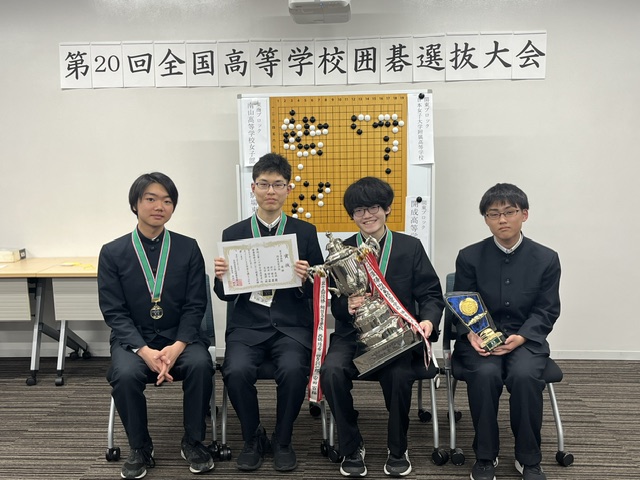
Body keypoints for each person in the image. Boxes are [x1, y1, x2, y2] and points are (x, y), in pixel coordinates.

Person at [320, 176, 444, 478]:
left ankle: (398, 448)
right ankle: (352, 445)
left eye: (373, 207)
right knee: (331, 372)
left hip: (397, 334)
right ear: (352, 215)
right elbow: (335, 303)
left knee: (399, 375)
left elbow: (430, 294)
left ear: (387, 208)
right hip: (353, 335)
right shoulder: (342, 252)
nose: (367, 215)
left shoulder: (410, 247)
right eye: (359, 210)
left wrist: (428, 320)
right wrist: (347, 306)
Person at [98, 172, 214, 479]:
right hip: (134, 341)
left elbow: (195, 305)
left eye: (167, 200)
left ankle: (193, 442)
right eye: (151, 199)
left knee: (201, 364)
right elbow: (114, 311)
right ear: (135, 204)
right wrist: (144, 350)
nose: (159, 206)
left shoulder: (188, 248)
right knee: (125, 374)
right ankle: (140, 447)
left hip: (181, 337)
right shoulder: (113, 252)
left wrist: (177, 347)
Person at [213, 153, 324, 472]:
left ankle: (283, 440)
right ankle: (253, 438)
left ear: (289, 189)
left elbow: (320, 285)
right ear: (253, 188)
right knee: (235, 371)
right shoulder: (233, 233)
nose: (270, 191)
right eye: (264, 184)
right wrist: (221, 277)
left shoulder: (304, 231)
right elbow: (224, 295)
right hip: (247, 328)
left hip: (291, 327)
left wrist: (307, 276)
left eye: (278, 184)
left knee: (292, 370)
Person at [452, 183, 561, 480]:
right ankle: (485, 456)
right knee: (485, 375)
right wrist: (471, 334)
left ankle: (528, 458)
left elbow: (547, 309)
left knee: (524, 376)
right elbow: (462, 305)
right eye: (493, 214)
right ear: (486, 219)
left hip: (526, 340)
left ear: (524, 214)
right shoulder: (469, 256)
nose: (502, 219)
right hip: (479, 340)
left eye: (509, 212)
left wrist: (522, 337)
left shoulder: (546, 258)